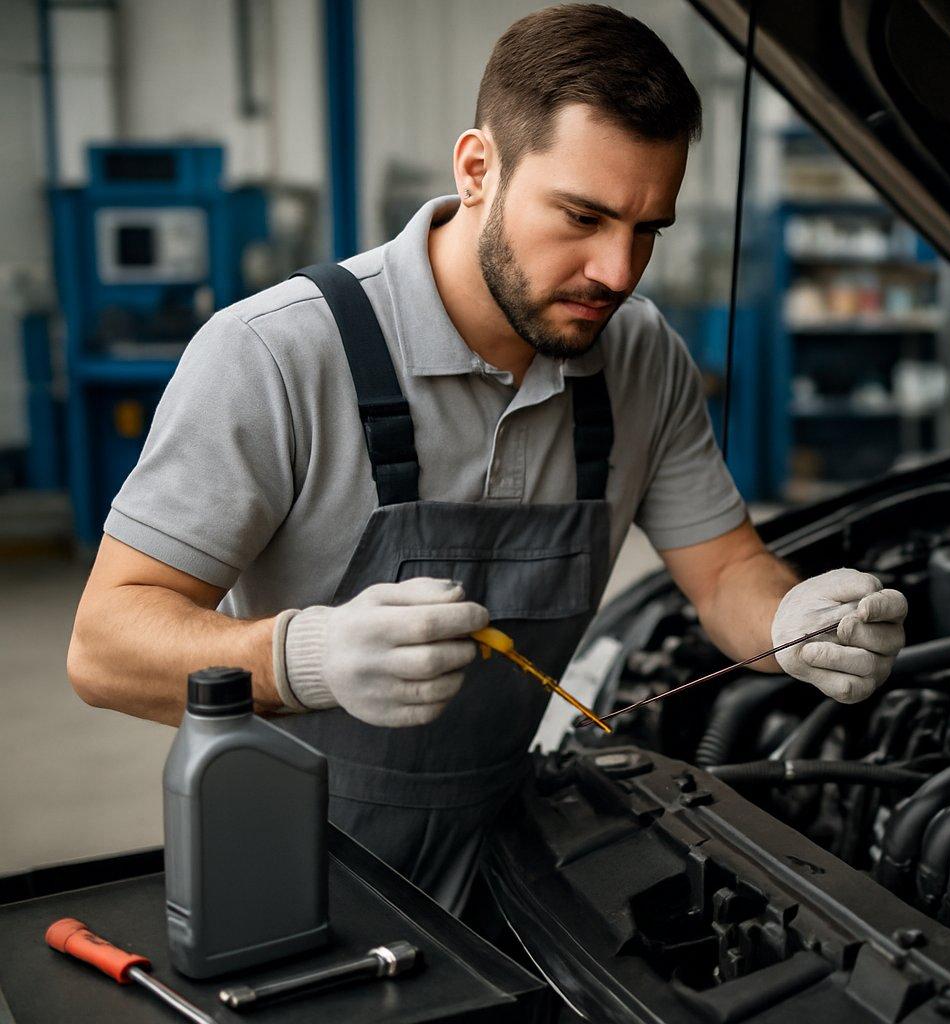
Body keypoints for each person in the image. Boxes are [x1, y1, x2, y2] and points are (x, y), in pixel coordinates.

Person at [66, 4, 907, 913]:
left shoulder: (640, 356)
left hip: (509, 849)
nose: (619, 273)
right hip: (295, 855)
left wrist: (790, 619)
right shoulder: (274, 354)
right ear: (478, 169)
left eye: (647, 228)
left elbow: (724, 572)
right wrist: (303, 658)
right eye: (583, 216)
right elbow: (105, 646)